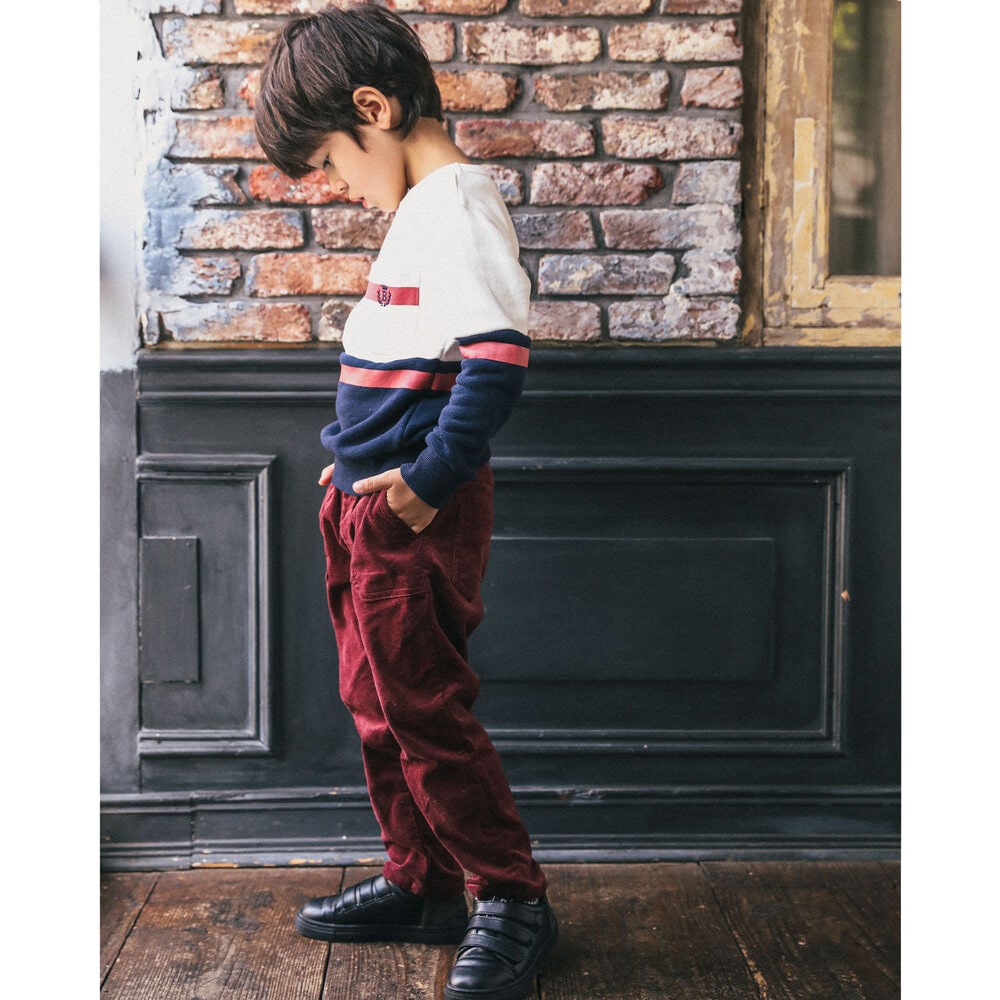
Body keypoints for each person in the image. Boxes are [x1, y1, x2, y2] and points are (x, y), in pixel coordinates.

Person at [254, 6, 557, 1000]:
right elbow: (404, 367)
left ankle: (510, 897)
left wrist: (424, 482)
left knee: (424, 707)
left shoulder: (457, 203)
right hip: (366, 502)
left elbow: (496, 360)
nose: (338, 186)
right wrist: (353, 467)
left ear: (374, 110)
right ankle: (421, 879)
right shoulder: (420, 210)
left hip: (415, 514)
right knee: (375, 703)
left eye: (332, 163)